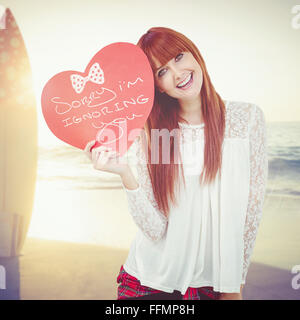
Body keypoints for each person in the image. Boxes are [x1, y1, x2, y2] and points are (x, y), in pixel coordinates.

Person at [84, 27, 268, 300]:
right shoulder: (155, 135)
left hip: (214, 284)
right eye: (162, 71)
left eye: (179, 57)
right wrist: (125, 174)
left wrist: (235, 284)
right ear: (157, 85)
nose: (178, 73)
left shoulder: (248, 118)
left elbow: (251, 208)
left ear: (194, 53)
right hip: (149, 282)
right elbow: (155, 228)